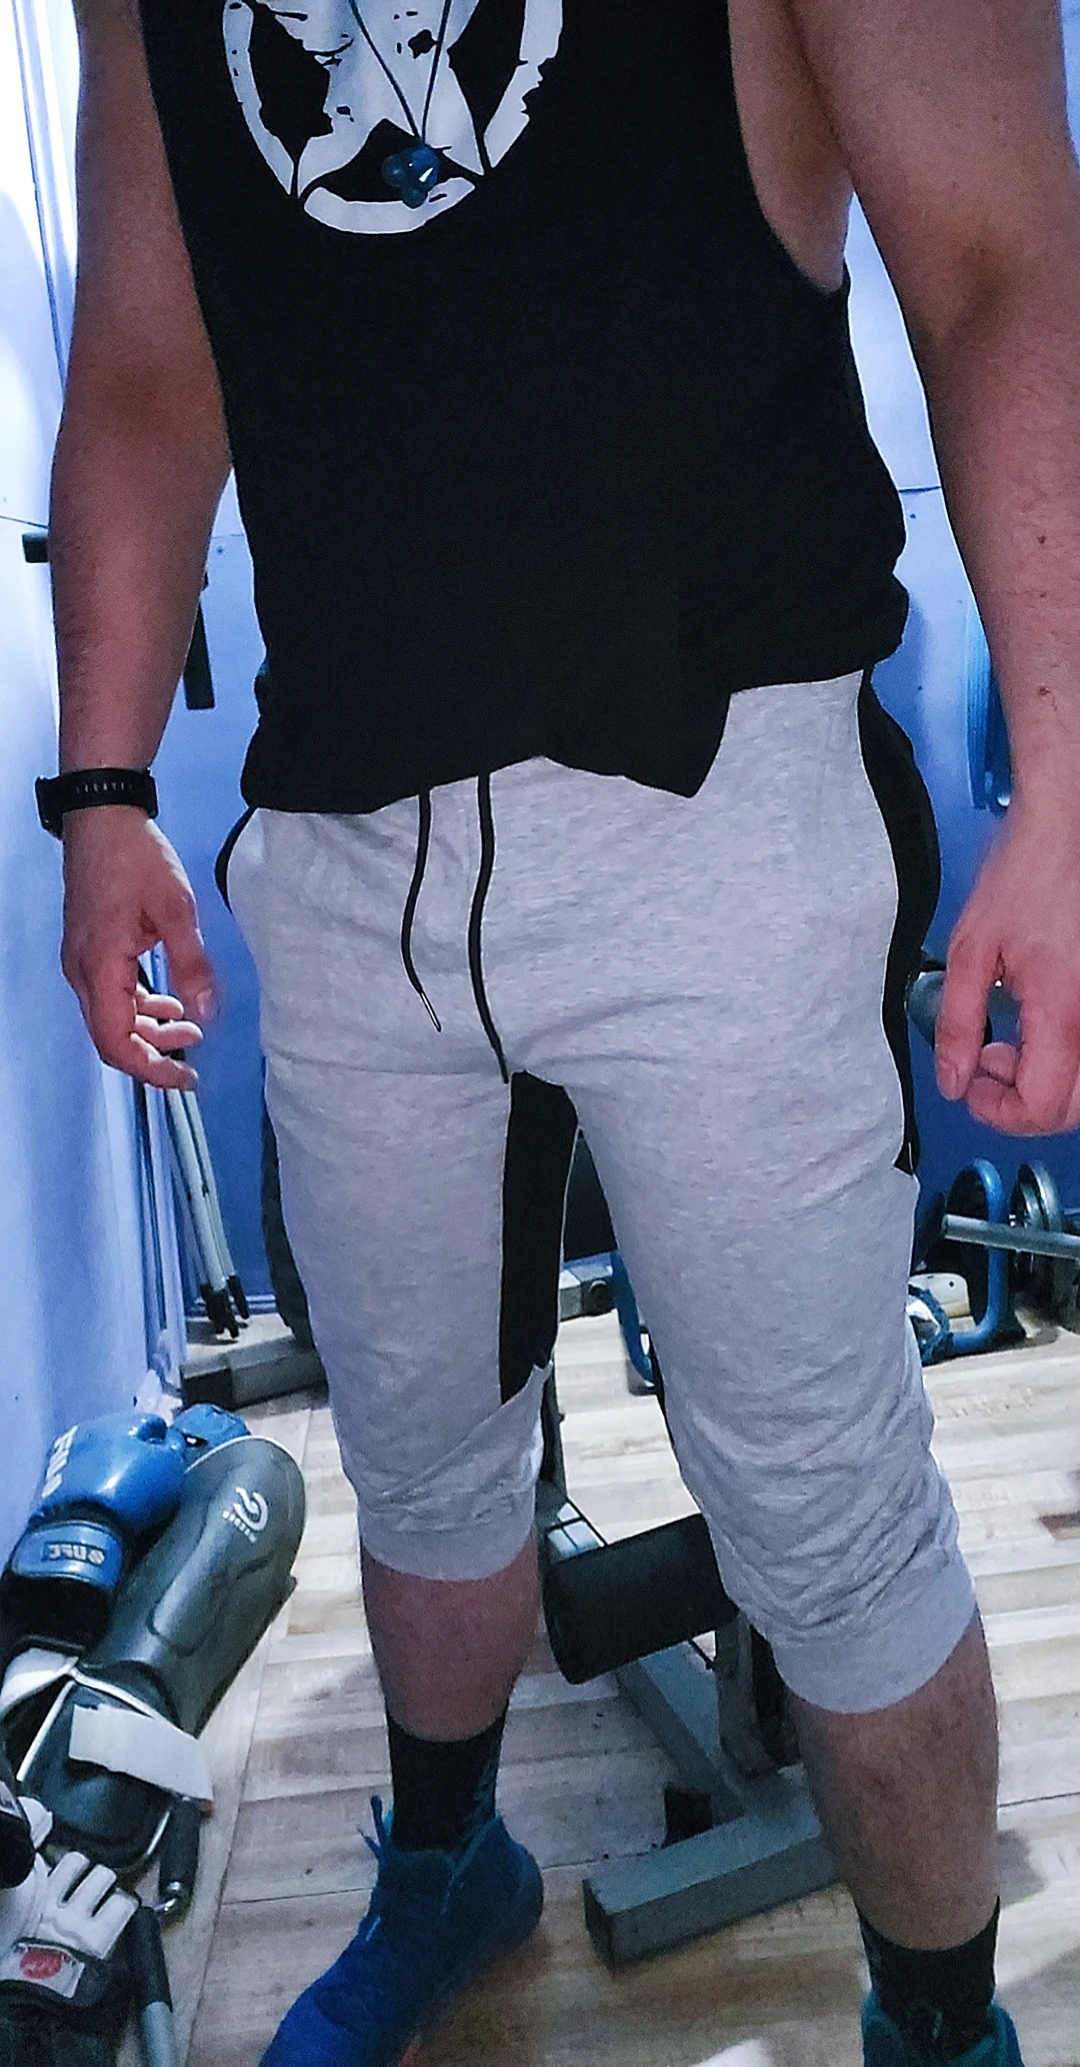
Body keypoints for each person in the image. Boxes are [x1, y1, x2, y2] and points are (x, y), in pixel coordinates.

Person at [41, 1, 1080, 2062]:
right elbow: (152, 361)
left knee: (827, 1509)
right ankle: (451, 1860)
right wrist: (104, 789)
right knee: (418, 1453)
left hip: (719, 796)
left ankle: (940, 2023)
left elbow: (999, 258)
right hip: (348, 831)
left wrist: (1062, 790)